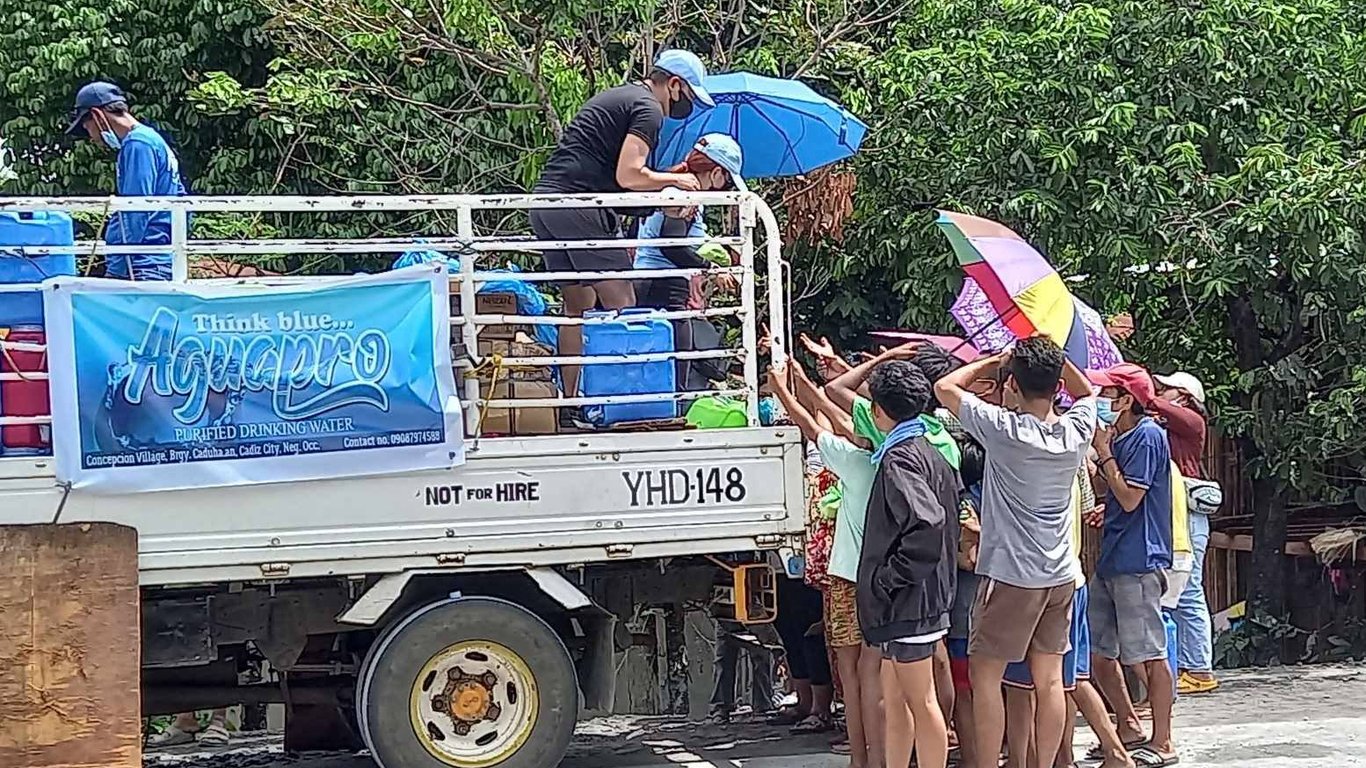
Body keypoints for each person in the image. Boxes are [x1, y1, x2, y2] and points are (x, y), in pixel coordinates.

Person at [933, 338, 1094, 768]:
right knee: (1050, 679)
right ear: (1056, 383)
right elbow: (1086, 393)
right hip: (1060, 573)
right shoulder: (1076, 429)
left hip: (1009, 575)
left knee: (987, 678)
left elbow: (945, 388)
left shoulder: (1005, 431)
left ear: (1014, 386)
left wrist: (997, 359)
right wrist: (1055, 362)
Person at [530, 49, 712, 401]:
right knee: (623, 300)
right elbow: (629, 174)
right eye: (686, 98)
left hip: (547, 204)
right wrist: (675, 183)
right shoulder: (648, 109)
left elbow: (621, 186)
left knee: (577, 303)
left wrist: (661, 193)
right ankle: (629, 400)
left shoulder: (621, 96)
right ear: (673, 85)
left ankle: (569, 402)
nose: (682, 108)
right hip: (578, 207)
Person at [768, 364, 883, 767]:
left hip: (847, 576)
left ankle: (860, 754)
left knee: (851, 674)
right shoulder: (894, 455)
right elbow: (832, 414)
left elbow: (813, 421)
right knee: (882, 671)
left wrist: (784, 390)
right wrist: (802, 383)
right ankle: (882, 752)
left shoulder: (853, 462)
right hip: (885, 578)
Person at [857, 361, 960, 768]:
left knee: (921, 701)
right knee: (896, 700)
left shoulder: (899, 458)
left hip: (911, 600)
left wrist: (888, 578)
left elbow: (928, 522)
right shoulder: (931, 450)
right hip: (917, 598)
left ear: (880, 411)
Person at [1087, 363, 1179, 768]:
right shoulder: (1123, 436)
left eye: (1107, 393)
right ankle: (1127, 725)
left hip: (1139, 560)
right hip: (1115, 556)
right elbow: (1117, 494)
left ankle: (1163, 740)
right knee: (1098, 653)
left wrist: (1103, 453)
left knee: (1148, 654)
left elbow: (1130, 497)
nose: (1100, 400)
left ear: (1126, 400)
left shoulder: (1146, 436)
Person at [634, 134, 744, 390]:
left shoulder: (678, 189)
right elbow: (672, 245)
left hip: (648, 277)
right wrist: (711, 269)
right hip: (665, 282)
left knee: (656, 350)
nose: (725, 188)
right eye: (727, 181)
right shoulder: (686, 192)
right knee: (678, 355)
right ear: (717, 172)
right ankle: (677, 400)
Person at [66, 81, 188, 281]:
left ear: (97, 116)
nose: (91, 138)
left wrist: (118, 268)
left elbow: (135, 210)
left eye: (86, 127)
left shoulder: (137, 144)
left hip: (143, 262)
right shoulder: (152, 139)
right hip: (159, 256)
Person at [1151, 372, 1220, 694]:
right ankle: (1186, 665)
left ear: (1184, 395)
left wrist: (1143, 395)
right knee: (1177, 591)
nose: (1160, 392)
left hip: (1188, 517)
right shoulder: (1167, 427)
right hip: (1173, 515)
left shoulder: (1192, 421)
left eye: (1166, 389)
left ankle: (1200, 669)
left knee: (1189, 590)